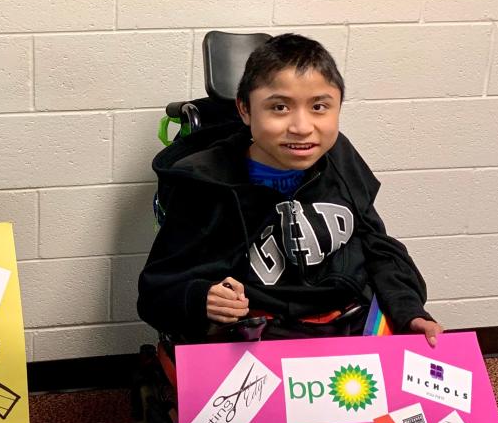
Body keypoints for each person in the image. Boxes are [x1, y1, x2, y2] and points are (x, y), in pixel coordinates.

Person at [137, 33, 443, 346]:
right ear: (245, 110)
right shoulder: (204, 184)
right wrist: (200, 298)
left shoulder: (339, 156)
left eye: (320, 107)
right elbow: (156, 293)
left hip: (347, 319)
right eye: (280, 107)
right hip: (256, 332)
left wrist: (409, 309)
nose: (301, 127)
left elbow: (376, 244)